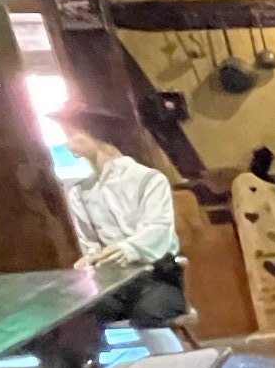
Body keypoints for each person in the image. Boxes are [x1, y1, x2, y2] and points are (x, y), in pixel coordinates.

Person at [61, 120, 188, 327]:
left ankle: (168, 348)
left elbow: (159, 230)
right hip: (112, 282)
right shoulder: (80, 192)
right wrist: (91, 260)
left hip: (157, 276)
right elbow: (89, 242)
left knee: (148, 313)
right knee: (76, 316)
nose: (68, 143)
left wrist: (127, 249)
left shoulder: (149, 180)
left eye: (72, 135)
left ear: (95, 134)